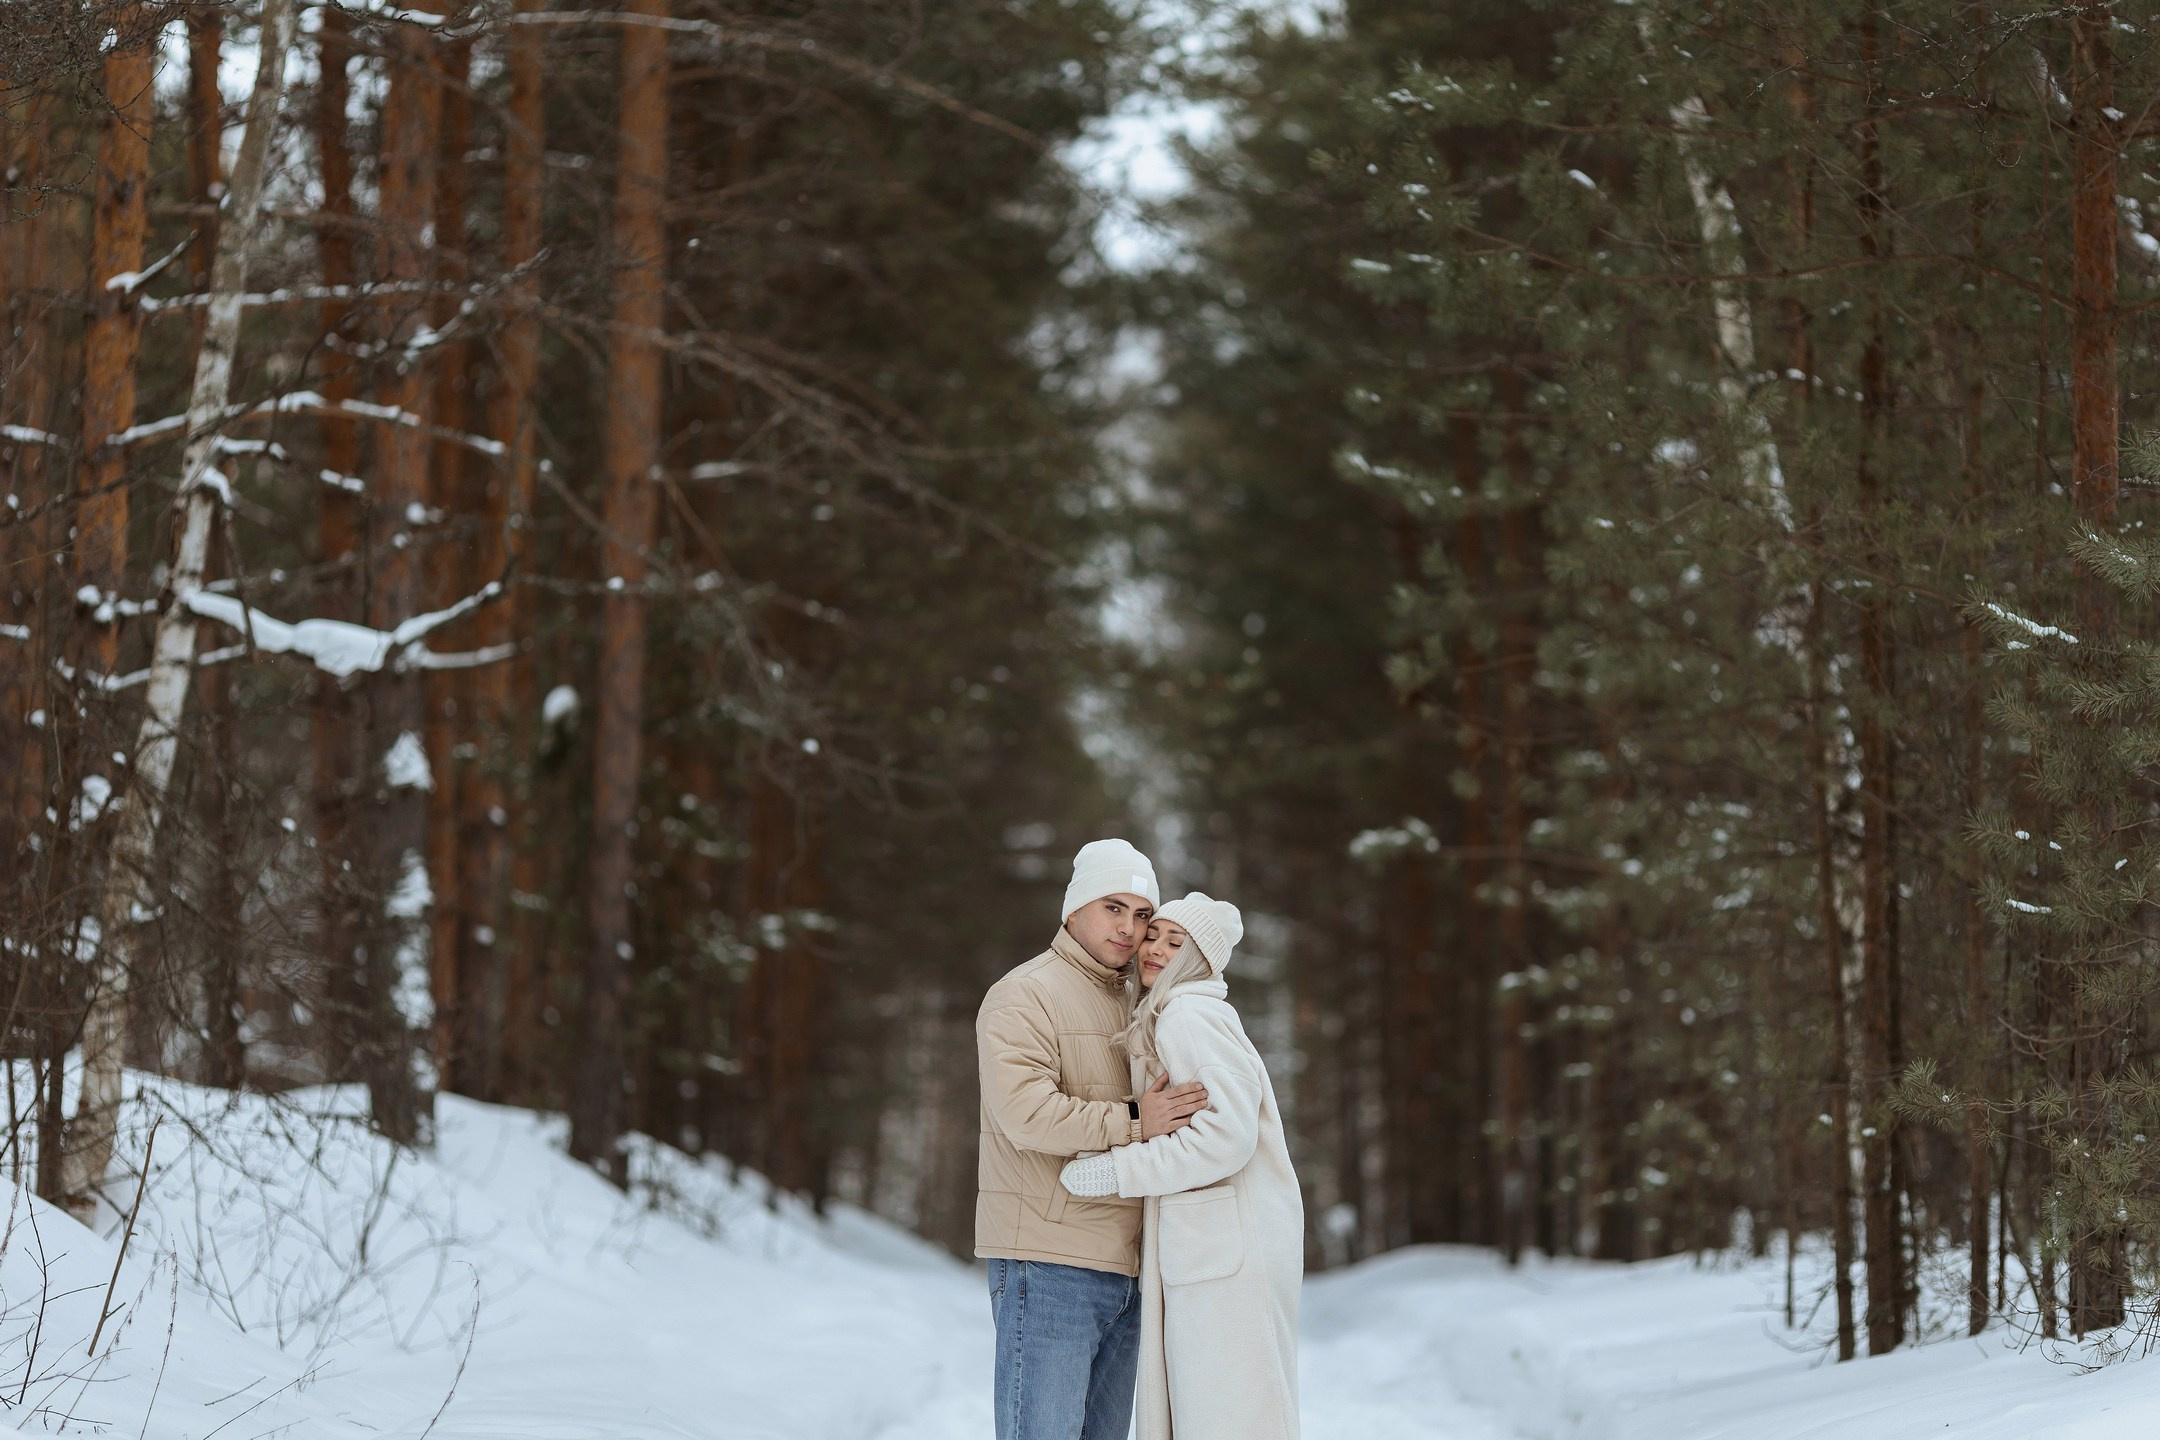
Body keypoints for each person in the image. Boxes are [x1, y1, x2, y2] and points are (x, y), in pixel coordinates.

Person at [976, 839, 1212, 1440]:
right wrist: (1136, 1120)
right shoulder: (1023, 993)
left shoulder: (1142, 1001)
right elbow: (1025, 1114)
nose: (1130, 929)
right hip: (1049, 1263)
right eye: (1113, 908)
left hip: (1130, 1268)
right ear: (1074, 908)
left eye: (1141, 915)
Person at [1059, 892, 1303, 1440]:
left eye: (1178, 942)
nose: (1156, 950)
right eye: (1154, 935)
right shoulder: (1178, 1013)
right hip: (1222, 1246)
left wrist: (1116, 1170)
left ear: (1201, 959)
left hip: (1231, 1249)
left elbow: (1226, 1136)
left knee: (1232, 1415)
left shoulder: (1191, 1015)